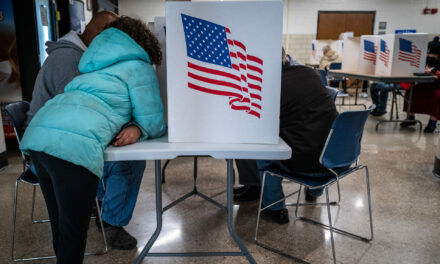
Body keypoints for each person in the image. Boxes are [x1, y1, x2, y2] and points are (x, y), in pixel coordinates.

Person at [20, 16, 166, 263]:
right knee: (73, 235)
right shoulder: (138, 67)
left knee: (62, 229)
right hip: (72, 148)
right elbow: (153, 119)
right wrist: (140, 128)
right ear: (143, 43)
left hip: (39, 138)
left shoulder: (92, 64)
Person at [235, 50, 339, 225]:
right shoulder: (308, 72)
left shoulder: (271, 87)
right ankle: (314, 192)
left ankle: (274, 208)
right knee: (316, 134)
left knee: (265, 153)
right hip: (335, 157)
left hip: (306, 163)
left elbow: (261, 126)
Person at [401, 52, 440, 133]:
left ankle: (432, 123)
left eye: (433, 54)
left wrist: (433, 71)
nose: (430, 55)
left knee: (437, 96)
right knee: (411, 92)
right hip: (425, 83)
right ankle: (410, 118)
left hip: (438, 85)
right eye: (429, 53)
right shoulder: (425, 59)